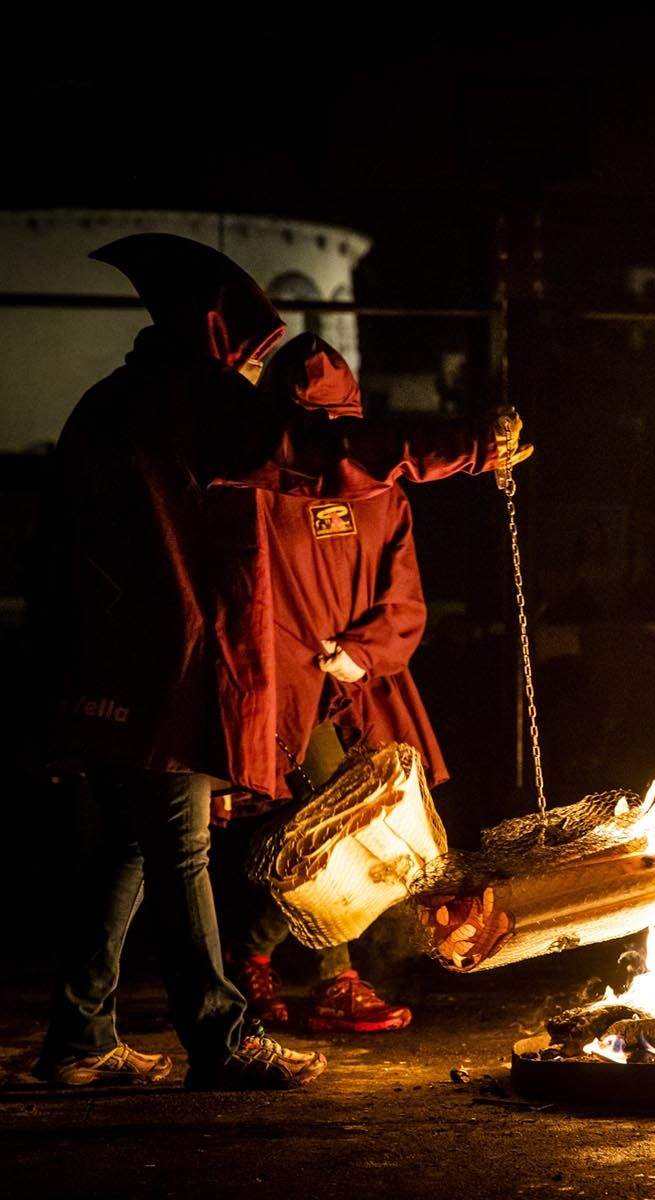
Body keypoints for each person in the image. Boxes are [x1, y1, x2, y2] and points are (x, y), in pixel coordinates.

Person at [36, 234, 523, 1089]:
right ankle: (220, 1041)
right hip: (174, 664)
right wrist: (471, 446)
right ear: (217, 332)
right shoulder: (198, 404)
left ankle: (78, 1037)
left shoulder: (102, 407)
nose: (259, 369)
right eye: (252, 349)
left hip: (105, 664)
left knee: (126, 846)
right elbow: (328, 455)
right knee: (178, 851)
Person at [218, 333, 448, 1034]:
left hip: (363, 686)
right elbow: (244, 592)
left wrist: (363, 652)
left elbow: (404, 601)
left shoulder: (382, 494)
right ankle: (326, 977)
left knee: (379, 827)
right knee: (327, 830)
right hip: (293, 691)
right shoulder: (252, 489)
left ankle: (253, 955)